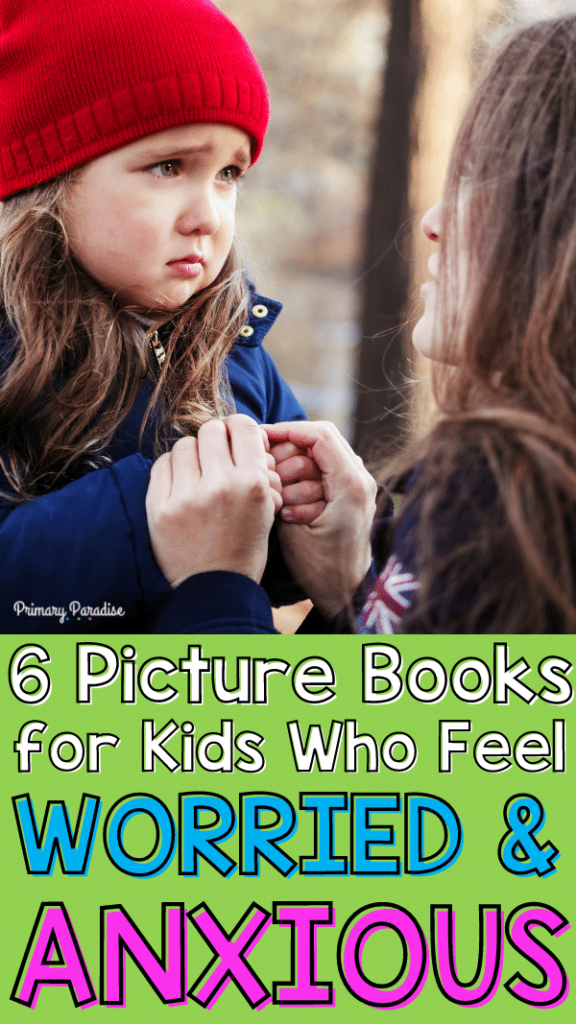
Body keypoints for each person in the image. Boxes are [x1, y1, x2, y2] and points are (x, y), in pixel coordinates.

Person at [150, 14, 576, 634]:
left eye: (483, 176)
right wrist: (353, 585)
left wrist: (216, 585)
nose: (433, 220)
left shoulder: (516, 504)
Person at [0, 0, 323, 633]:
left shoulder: (237, 343)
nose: (209, 215)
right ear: (48, 175)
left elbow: (266, 559)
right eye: (167, 167)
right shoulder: (14, 352)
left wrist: (303, 507)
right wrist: (146, 522)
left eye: (229, 174)